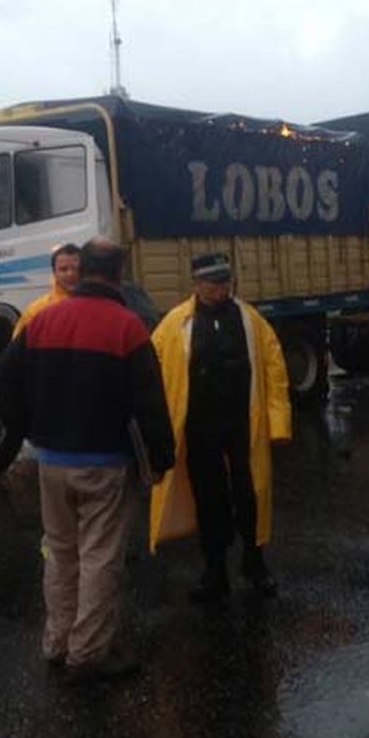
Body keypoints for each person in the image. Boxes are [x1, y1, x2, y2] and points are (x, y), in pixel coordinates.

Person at [0, 237, 175, 683]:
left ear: (83, 269)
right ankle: (89, 652)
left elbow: (1, 379)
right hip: (105, 461)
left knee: (60, 553)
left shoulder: (42, 321)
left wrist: (27, 429)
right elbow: (150, 403)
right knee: (99, 556)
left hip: (51, 459)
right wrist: (162, 456)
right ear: (117, 275)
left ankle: (57, 642)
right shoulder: (128, 327)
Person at [148, 251, 291, 601]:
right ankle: (215, 569)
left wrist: (278, 423)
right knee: (209, 498)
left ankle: (255, 563)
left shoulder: (251, 320)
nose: (220, 289)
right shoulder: (173, 325)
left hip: (243, 424)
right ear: (196, 284)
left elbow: (274, 370)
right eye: (213, 283)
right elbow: (153, 374)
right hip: (199, 429)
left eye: (225, 282)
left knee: (250, 493)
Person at [12, 243, 83, 336]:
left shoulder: (99, 304)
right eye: (63, 269)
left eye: (75, 268)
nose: (70, 274)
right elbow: (18, 346)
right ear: (54, 273)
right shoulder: (36, 310)